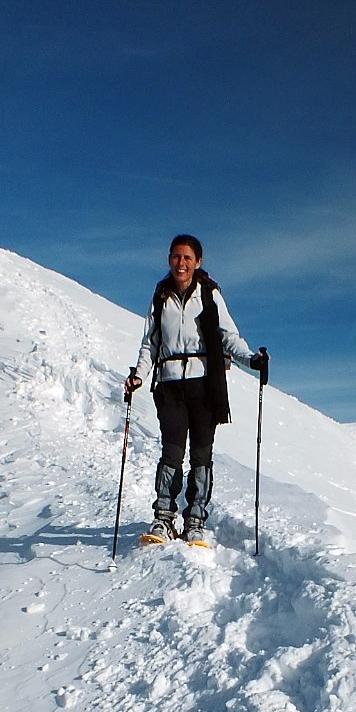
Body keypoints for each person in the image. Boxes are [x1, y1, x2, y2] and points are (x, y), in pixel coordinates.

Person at [126, 234, 269, 546]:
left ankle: (195, 519)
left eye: (187, 258)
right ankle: (164, 518)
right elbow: (150, 342)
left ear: (198, 262)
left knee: (201, 455)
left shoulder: (209, 294)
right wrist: (138, 375)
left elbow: (227, 334)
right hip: (169, 386)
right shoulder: (161, 296)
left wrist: (251, 360)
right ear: (170, 259)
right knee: (172, 453)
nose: (181, 263)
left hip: (204, 385)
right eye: (176, 257)